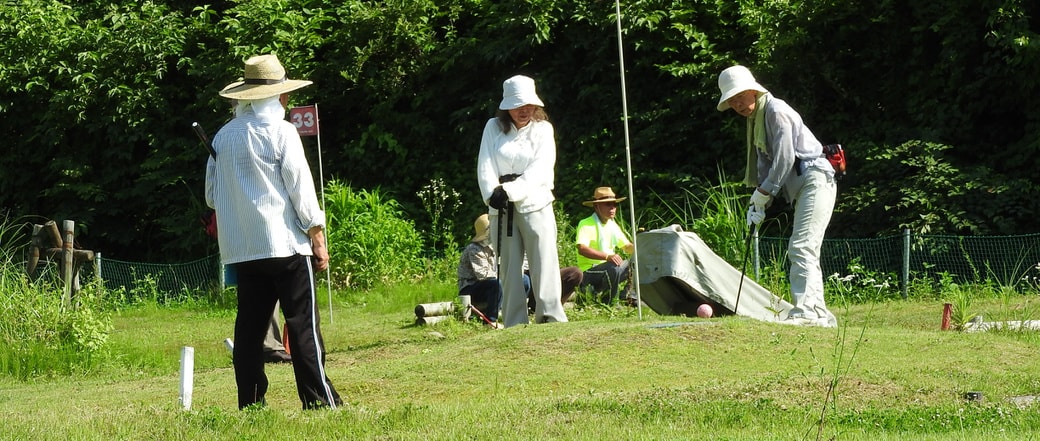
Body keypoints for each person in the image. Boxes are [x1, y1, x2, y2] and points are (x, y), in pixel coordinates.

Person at [206, 54, 341, 409]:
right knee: (302, 326)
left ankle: (250, 403)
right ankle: (318, 401)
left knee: (249, 331)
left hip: (243, 249)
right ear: (278, 97)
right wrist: (318, 238)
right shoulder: (281, 131)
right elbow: (301, 190)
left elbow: (210, 195)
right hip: (285, 245)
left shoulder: (222, 137)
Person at [716, 65, 838, 327]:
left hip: (815, 179)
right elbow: (765, 165)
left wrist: (764, 193)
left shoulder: (775, 110)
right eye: (732, 100)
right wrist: (758, 201)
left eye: (740, 97)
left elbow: (785, 158)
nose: (737, 104)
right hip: (803, 185)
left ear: (753, 91)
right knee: (806, 247)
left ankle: (806, 311)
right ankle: (818, 313)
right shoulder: (757, 119)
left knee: (802, 246)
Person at [477, 75, 568, 328]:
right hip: (501, 207)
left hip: (535, 203)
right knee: (508, 268)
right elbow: (485, 164)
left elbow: (541, 169)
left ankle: (550, 317)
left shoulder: (543, 130)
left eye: (528, 105)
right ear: (507, 107)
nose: (524, 110)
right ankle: (515, 322)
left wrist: (509, 190)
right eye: (518, 105)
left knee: (544, 261)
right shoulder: (492, 127)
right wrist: (493, 193)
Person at [575, 186, 635, 303]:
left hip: (610, 268)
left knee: (637, 262)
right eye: (608, 204)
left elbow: (627, 247)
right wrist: (607, 257)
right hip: (589, 271)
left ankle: (628, 295)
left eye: (614, 204)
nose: (612, 208)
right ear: (596, 206)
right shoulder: (586, 223)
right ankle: (608, 303)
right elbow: (582, 248)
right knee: (614, 267)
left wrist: (643, 248)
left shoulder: (612, 224)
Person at [457, 214, 502, 325]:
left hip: (485, 284)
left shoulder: (491, 247)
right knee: (496, 284)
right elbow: (483, 275)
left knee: (524, 280)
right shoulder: (474, 249)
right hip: (470, 287)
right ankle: (490, 320)